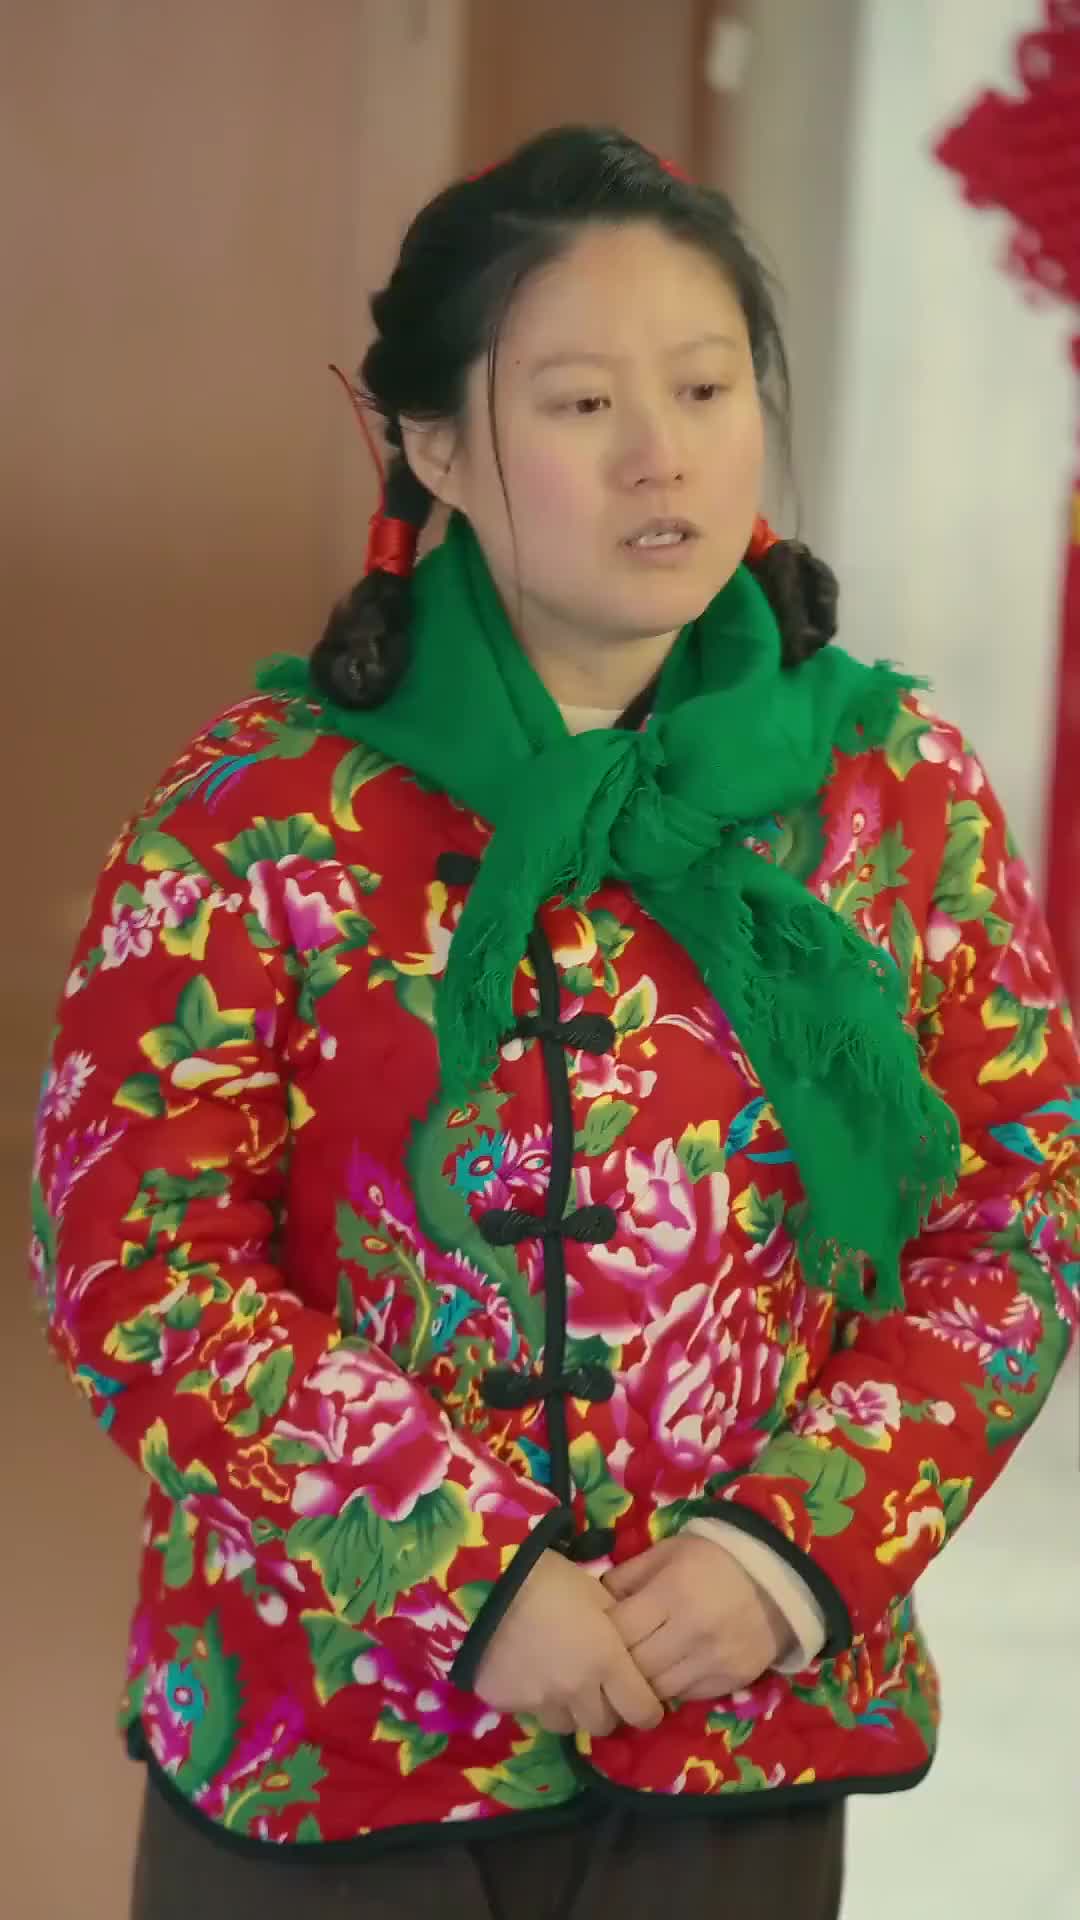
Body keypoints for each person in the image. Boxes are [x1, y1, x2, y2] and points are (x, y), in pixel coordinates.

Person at [31, 125, 1079, 1920]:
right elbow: (133, 1256)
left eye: (706, 386)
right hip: (332, 1734)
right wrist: (467, 1576)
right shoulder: (258, 814)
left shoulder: (890, 791)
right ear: (434, 446)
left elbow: (1022, 1198)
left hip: (738, 1718)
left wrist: (788, 1553)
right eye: (583, 404)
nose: (662, 453)